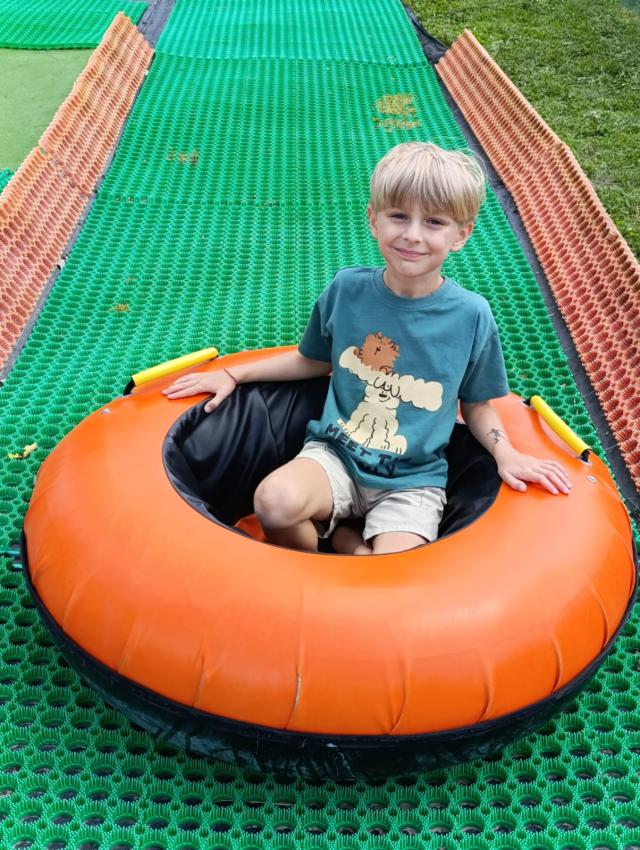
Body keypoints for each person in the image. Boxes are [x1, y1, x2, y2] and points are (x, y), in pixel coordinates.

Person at [163, 142, 570, 555]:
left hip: (412, 480)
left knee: (391, 570)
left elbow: (478, 404)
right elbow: (311, 360)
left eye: (434, 222)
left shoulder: (471, 316)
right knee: (274, 501)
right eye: (398, 216)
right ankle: (328, 552)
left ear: (460, 235)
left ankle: (344, 540)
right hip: (335, 456)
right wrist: (232, 374)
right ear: (373, 220)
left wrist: (506, 454)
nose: (412, 235)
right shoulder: (347, 290)